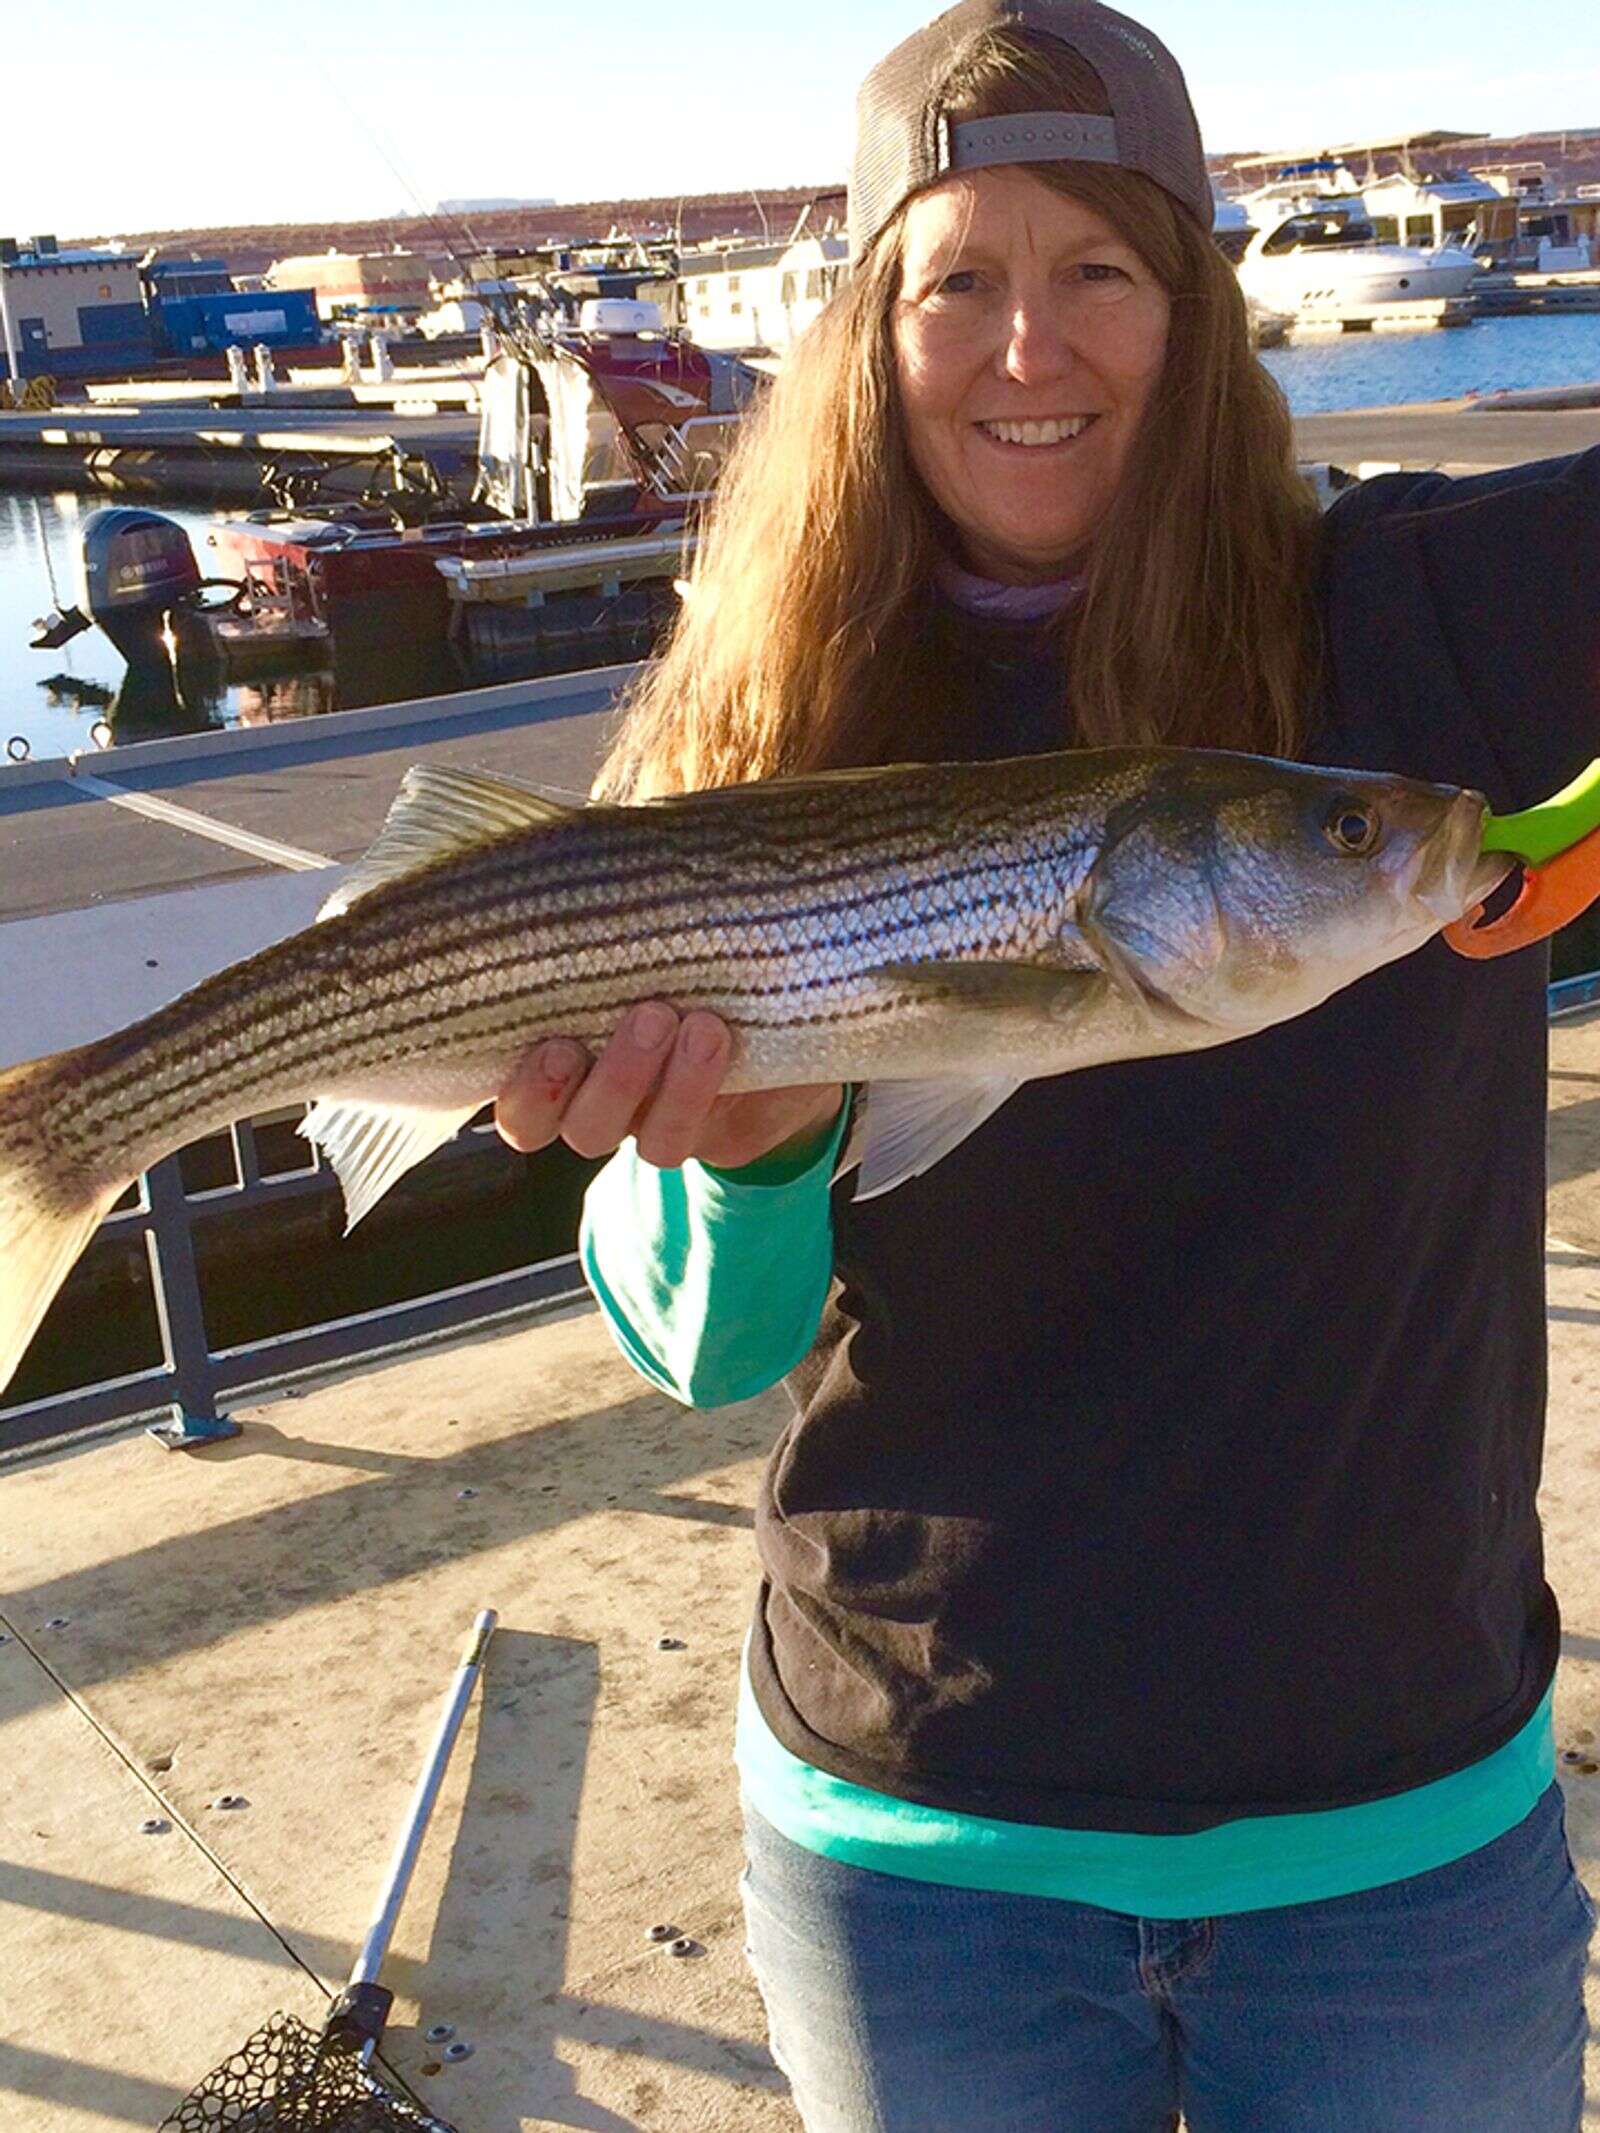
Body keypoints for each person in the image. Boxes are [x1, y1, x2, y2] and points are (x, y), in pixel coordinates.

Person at [495, 3, 1600, 2125]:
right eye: (957, 279)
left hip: (1396, 1836)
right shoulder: (753, 726)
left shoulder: (1413, 622)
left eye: (1099, 267)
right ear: (865, 328)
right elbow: (708, 1353)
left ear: (1191, 313)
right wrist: (738, 1165)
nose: (1032, 349)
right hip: (921, 1849)